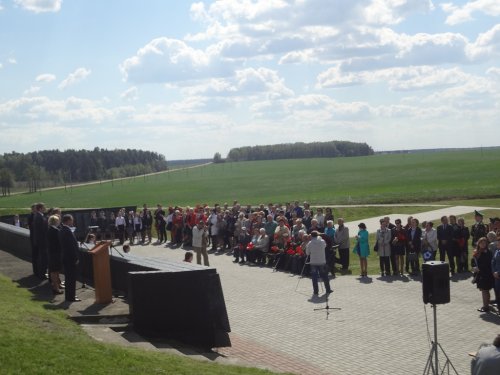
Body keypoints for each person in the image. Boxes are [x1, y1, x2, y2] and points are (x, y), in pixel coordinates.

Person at [59, 214, 80, 302]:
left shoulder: (62, 230)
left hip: (66, 258)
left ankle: (69, 296)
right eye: (71, 220)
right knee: (71, 278)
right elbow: (71, 247)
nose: (73, 221)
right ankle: (71, 297)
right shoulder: (67, 231)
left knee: (68, 278)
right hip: (70, 259)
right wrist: (76, 258)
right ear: (68, 221)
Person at [305, 231, 332, 295]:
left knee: (314, 277)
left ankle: (316, 291)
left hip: (313, 262)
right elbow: (325, 246)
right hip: (321, 261)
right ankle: (328, 289)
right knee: (324, 276)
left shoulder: (310, 243)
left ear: (311, 236)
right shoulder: (322, 241)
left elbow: (307, 253)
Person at [472, 237, 494, 313]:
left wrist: (479, 268)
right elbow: (473, 261)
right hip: (479, 274)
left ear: (486, 244)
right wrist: (474, 267)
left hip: (486, 274)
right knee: (484, 290)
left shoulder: (488, 252)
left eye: (484, 243)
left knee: (485, 290)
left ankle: (485, 307)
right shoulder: (477, 251)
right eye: (481, 243)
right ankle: (487, 305)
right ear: (479, 243)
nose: (482, 244)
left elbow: (488, 264)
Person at [47, 215, 63, 295]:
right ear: (56, 222)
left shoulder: (49, 230)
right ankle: (56, 288)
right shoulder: (56, 231)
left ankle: (56, 286)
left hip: (52, 253)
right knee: (55, 271)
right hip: (56, 253)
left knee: (54, 271)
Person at [33, 202, 48, 280]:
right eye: (44, 207)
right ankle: (42, 274)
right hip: (42, 241)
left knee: (41, 257)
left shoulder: (37, 216)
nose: (45, 208)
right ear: (40, 208)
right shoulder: (40, 217)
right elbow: (43, 230)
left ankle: (41, 273)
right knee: (43, 258)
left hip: (39, 241)